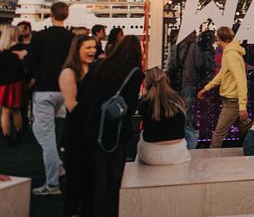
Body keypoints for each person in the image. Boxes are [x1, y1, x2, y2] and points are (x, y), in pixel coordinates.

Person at [76, 35, 144, 217]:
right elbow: (129, 106)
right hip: (115, 131)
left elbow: (84, 93)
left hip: (91, 126)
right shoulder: (135, 73)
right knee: (112, 178)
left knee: (93, 175)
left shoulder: (100, 66)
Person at [25, 1, 74, 196]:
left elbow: (30, 62)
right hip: (65, 90)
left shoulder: (41, 37)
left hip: (44, 90)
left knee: (46, 136)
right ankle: (59, 166)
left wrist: (30, 76)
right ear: (66, 15)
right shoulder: (72, 38)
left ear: (51, 14)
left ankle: (52, 183)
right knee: (41, 130)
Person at [58, 35, 96, 216]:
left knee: (89, 177)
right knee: (75, 178)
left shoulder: (93, 69)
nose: (92, 51)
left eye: (94, 47)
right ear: (77, 49)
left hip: (91, 130)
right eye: (88, 48)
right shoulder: (69, 73)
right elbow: (72, 105)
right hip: (76, 131)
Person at [197, 26, 250, 148]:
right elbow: (223, 73)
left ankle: (212, 161)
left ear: (219, 39)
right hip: (233, 100)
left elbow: (240, 80)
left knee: (218, 135)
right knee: (248, 129)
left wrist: (242, 106)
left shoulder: (231, 54)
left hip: (232, 101)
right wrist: (207, 88)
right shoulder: (231, 53)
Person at [137, 67, 190, 165]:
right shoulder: (179, 99)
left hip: (151, 156)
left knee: (141, 136)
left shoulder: (144, 102)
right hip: (177, 154)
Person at [167, 30, 202, 148]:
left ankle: (177, 140)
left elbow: (170, 65)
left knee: (177, 112)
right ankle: (190, 144)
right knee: (188, 114)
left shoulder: (174, 46)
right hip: (188, 82)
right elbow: (199, 64)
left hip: (175, 84)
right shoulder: (194, 47)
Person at [0, 26, 27, 147]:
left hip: (3, 84)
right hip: (17, 82)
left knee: (5, 111)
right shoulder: (22, 49)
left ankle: (7, 137)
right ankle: (19, 134)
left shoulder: (1, 50)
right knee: (16, 110)